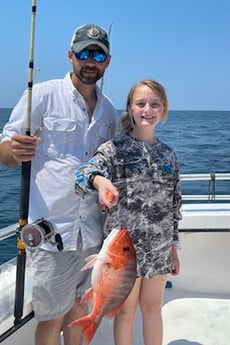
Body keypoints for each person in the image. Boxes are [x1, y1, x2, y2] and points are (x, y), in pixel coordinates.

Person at [0, 24, 116, 345]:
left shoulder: (108, 111)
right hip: (54, 236)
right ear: (70, 56)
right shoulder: (41, 95)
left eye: (98, 54)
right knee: (51, 319)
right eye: (84, 53)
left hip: (93, 233)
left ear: (107, 61)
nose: (90, 61)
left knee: (79, 309)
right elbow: (5, 150)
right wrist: (13, 150)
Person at [75, 79, 182, 345]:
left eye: (155, 104)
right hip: (123, 253)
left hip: (159, 249)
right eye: (141, 104)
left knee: (153, 309)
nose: (148, 109)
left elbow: (174, 206)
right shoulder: (115, 149)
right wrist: (100, 182)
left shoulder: (169, 155)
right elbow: (83, 172)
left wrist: (173, 248)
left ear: (164, 110)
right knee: (126, 312)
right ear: (130, 109)